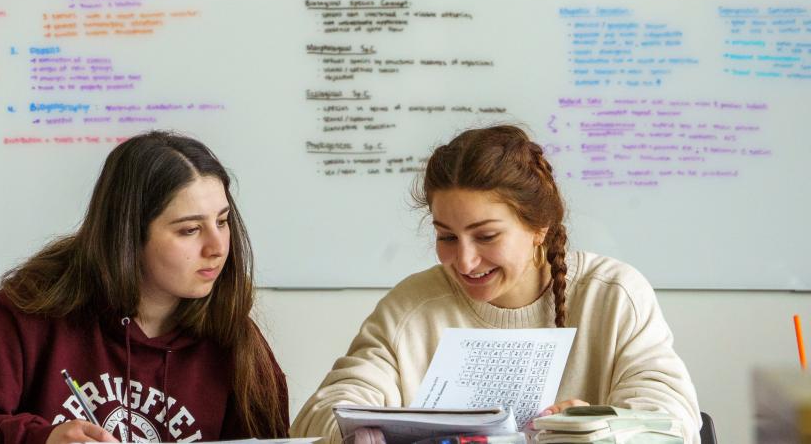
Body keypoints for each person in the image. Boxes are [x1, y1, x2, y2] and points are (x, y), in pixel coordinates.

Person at [290, 124, 701, 444]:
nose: (465, 261)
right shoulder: (411, 307)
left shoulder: (612, 295)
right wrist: (350, 433)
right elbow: (325, 413)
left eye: (486, 236)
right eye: (446, 237)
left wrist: (598, 430)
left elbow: (672, 420)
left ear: (539, 227)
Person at [0, 131, 289, 444]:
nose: (217, 247)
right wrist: (40, 440)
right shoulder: (34, 309)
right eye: (189, 230)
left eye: (222, 221)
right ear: (129, 236)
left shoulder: (234, 337)